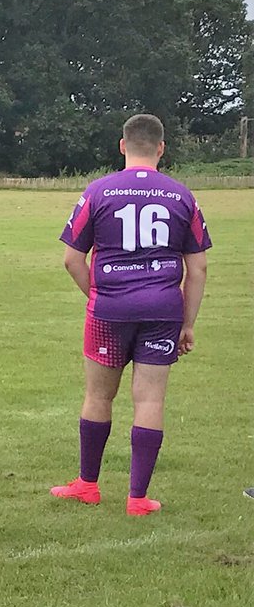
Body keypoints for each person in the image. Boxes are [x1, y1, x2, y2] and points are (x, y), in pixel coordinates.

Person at [51, 114, 210, 516]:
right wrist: (187, 323)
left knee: (98, 395)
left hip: (108, 309)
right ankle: (138, 498)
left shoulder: (98, 191)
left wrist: (100, 295)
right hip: (162, 309)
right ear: (161, 148)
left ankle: (88, 484)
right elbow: (199, 268)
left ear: (122, 146)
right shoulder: (182, 196)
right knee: (150, 400)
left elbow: (71, 260)